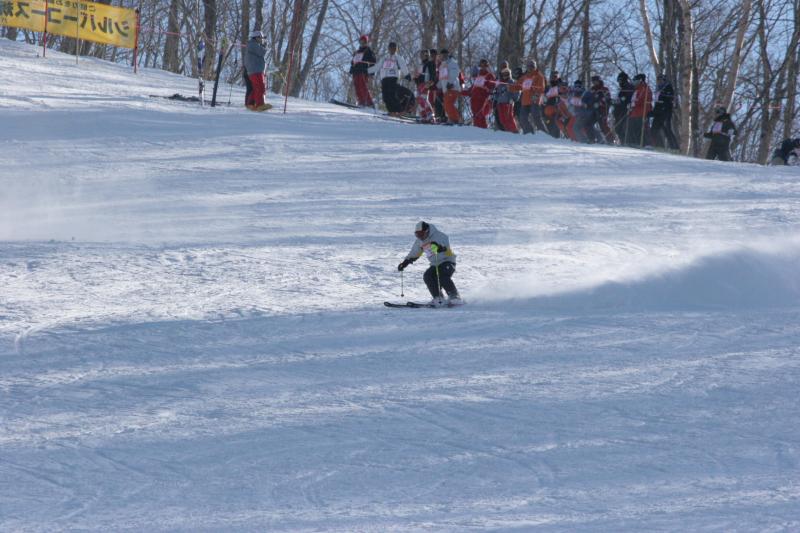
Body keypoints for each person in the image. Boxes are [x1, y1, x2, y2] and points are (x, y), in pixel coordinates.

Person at [397, 221, 461, 307]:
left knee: (442, 276)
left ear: (427, 231)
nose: (420, 236)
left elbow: (444, 245)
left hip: (447, 261)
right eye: (417, 234)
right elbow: (414, 252)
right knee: (428, 276)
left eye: (421, 234)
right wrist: (405, 263)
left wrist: (439, 247)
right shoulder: (420, 241)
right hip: (435, 263)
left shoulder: (439, 235)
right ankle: (438, 298)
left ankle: (455, 298)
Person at [372, 42, 413, 116]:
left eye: (394, 48)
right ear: (388, 48)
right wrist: (368, 71)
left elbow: (403, 66)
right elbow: (377, 66)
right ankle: (391, 111)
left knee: (392, 95)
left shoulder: (398, 58)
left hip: (393, 77)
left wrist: (407, 74)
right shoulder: (385, 58)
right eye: (391, 48)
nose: (392, 50)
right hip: (384, 78)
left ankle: (398, 110)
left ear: (396, 49)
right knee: (385, 96)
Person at [511, 60, 546, 134]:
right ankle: (529, 132)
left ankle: (544, 133)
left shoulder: (539, 76)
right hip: (525, 101)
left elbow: (541, 88)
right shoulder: (524, 77)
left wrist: (536, 95)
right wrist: (510, 87)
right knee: (522, 118)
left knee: (536, 117)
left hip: (534, 100)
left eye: (532, 66)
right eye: (529, 66)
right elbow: (517, 86)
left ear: (535, 67)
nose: (530, 68)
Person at [463, 58, 495, 128]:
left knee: (481, 115)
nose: (483, 68)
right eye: (481, 66)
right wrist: (461, 92)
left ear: (487, 66)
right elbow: (472, 89)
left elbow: (492, 87)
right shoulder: (478, 76)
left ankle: (483, 129)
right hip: (474, 99)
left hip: (482, 99)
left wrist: (490, 93)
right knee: (475, 115)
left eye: (485, 66)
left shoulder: (489, 75)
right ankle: (476, 129)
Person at [650, 74, 679, 150]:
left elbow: (670, 100)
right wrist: (653, 111)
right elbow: (657, 102)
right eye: (658, 80)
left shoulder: (668, 87)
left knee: (667, 129)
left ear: (664, 80)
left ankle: (675, 147)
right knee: (654, 129)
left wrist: (664, 106)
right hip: (658, 112)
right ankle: (657, 145)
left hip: (665, 112)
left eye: (660, 80)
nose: (659, 82)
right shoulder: (658, 89)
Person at [245, 30, 270, 111]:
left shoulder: (254, 45)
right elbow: (262, 52)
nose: (262, 40)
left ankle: (250, 104)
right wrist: (265, 46)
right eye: (261, 38)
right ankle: (259, 105)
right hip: (255, 70)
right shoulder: (253, 44)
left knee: (256, 87)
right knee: (260, 87)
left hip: (256, 69)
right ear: (256, 38)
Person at [488, 68, 519, 133]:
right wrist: (495, 98)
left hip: (508, 102)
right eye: (504, 74)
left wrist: (513, 98)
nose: (505, 76)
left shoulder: (511, 82)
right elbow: (497, 93)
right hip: (500, 103)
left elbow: (517, 91)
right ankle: (507, 130)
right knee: (502, 119)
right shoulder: (500, 83)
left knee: (509, 118)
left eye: (507, 74)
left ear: (509, 74)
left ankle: (514, 130)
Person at [350, 34, 376, 107]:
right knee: (357, 86)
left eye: (364, 42)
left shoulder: (368, 51)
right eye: (361, 42)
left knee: (363, 86)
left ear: (366, 42)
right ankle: (361, 101)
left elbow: (373, 61)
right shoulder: (357, 51)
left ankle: (369, 102)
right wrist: (353, 63)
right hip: (356, 71)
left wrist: (371, 72)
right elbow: (352, 61)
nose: (362, 43)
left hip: (363, 70)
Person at [437, 49, 462, 124]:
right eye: (442, 55)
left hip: (452, 87)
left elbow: (455, 73)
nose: (443, 57)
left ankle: (455, 119)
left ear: (448, 55)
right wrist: (437, 86)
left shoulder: (452, 62)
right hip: (446, 89)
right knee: (446, 104)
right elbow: (442, 77)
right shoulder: (442, 65)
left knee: (448, 104)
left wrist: (450, 83)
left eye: (445, 55)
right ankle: (453, 118)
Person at [628, 73, 653, 147]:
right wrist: (630, 105)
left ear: (640, 81)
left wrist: (632, 104)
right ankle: (635, 143)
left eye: (635, 81)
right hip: (634, 112)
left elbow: (641, 100)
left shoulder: (644, 89)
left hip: (642, 112)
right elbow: (633, 99)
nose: (634, 83)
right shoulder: (636, 90)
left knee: (643, 128)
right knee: (633, 128)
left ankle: (647, 144)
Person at [590, 75, 616, 143]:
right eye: (593, 81)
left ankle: (611, 140)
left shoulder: (604, 89)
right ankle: (593, 138)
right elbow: (590, 98)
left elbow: (607, 98)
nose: (594, 83)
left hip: (602, 110)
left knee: (603, 125)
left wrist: (600, 102)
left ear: (599, 81)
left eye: (596, 81)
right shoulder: (592, 89)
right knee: (589, 123)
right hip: (593, 109)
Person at [613, 71, 635, 144]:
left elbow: (629, 98)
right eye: (618, 80)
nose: (619, 82)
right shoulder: (621, 88)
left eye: (620, 80)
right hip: (618, 110)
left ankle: (627, 141)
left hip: (625, 109)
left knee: (623, 127)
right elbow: (619, 99)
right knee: (618, 127)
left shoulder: (629, 87)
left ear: (624, 79)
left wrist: (623, 100)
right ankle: (623, 141)